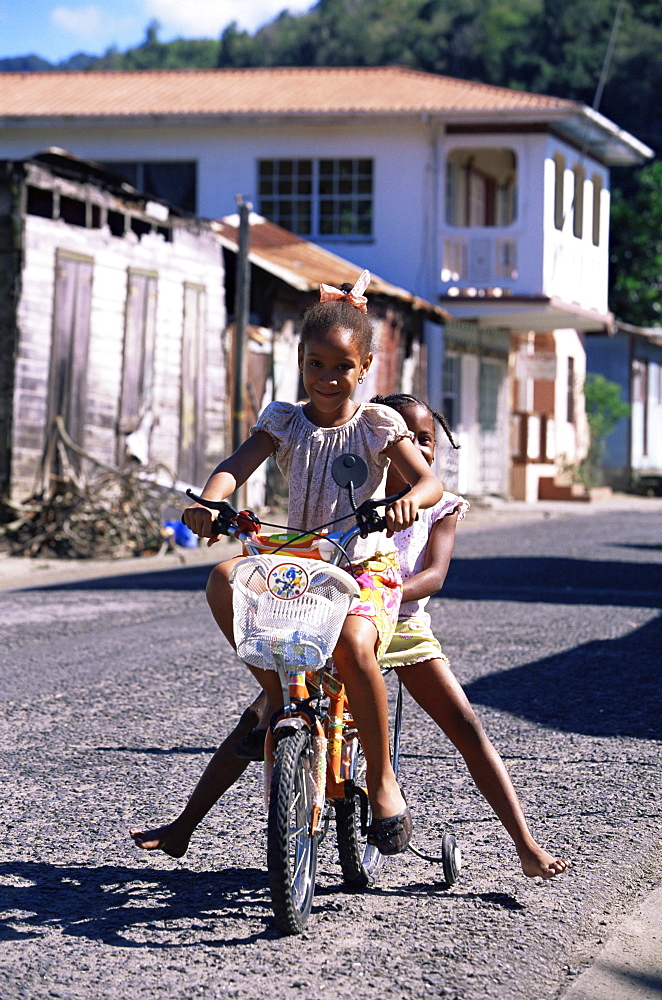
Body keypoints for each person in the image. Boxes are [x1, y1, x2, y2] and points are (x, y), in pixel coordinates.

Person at [131, 392, 570, 879]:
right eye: (402, 439)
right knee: (258, 720)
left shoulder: (438, 505)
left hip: (399, 622)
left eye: (424, 440)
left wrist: (378, 594)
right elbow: (245, 468)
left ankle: (525, 843)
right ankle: (185, 825)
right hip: (327, 610)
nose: (415, 449)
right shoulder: (339, 462)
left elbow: (435, 575)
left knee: (464, 723)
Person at [143, 272, 444, 855]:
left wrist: (409, 498)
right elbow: (235, 465)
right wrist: (211, 503)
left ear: (365, 370)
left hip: (362, 564)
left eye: (342, 367)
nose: (328, 379)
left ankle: (382, 779)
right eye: (315, 365)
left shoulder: (379, 425)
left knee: (355, 646)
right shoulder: (283, 420)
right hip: (297, 558)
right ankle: (279, 694)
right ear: (299, 362)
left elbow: (428, 481)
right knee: (223, 578)